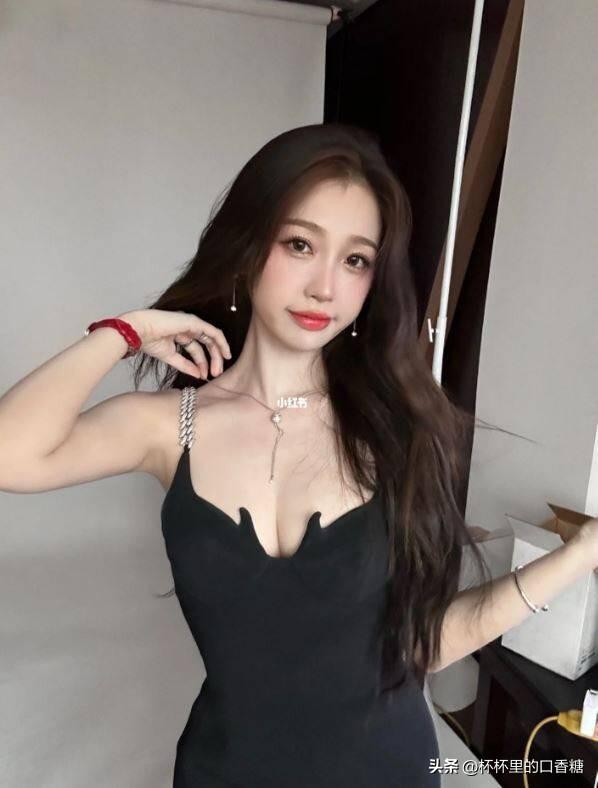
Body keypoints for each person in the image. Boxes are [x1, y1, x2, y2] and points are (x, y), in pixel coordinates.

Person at [1, 123, 596, 787]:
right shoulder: (170, 427)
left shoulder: (396, 430)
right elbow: (10, 455)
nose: (325, 287)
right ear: (248, 246)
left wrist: (577, 557)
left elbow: (420, 646)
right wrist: (125, 332)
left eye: (356, 260)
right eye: (300, 245)